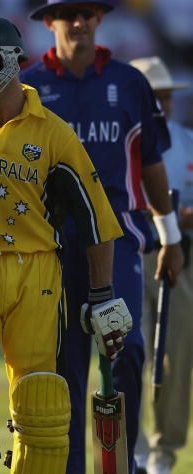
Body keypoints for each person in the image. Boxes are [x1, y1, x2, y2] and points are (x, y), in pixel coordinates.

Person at [0, 17, 131, 474]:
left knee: (42, 408)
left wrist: (102, 294)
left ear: (11, 63)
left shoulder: (53, 132)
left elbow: (97, 220)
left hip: (37, 276)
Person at [21, 2, 185, 473]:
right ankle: (72, 463)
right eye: (69, 13)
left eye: (88, 12)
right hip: (52, 245)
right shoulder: (31, 86)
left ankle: (122, 460)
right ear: (49, 21)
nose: (80, 21)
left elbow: (151, 162)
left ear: (99, 19)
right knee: (65, 360)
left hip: (119, 239)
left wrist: (168, 234)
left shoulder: (129, 82)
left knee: (128, 348)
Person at [129, 56, 193, 474]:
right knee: (129, 353)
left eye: (167, 96)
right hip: (132, 255)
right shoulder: (124, 144)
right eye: (157, 96)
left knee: (175, 357)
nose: (164, 104)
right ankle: (129, 448)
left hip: (181, 257)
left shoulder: (187, 140)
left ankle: (163, 454)